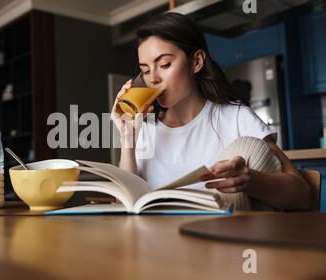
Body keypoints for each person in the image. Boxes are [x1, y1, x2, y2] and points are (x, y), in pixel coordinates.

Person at [110, 12, 311, 211]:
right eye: (145, 70)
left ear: (196, 62)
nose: (153, 79)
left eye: (164, 65)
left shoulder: (236, 117)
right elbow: (125, 207)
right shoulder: (144, 129)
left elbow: (302, 196)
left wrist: (252, 180)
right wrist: (128, 140)